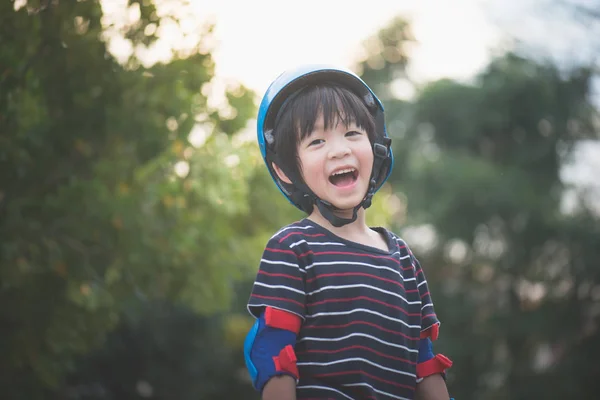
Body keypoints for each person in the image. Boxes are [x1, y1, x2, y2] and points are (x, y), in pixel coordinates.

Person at [243, 65, 453, 400]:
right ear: (284, 170)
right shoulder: (293, 248)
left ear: (377, 148)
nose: (339, 149)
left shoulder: (402, 259)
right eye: (317, 140)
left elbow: (424, 364)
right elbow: (273, 356)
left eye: (353, 133)